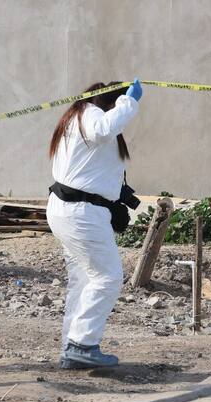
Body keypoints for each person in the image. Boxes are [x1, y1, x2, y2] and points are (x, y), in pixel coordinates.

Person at [46, 79, 143, 369]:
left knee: (86, 280)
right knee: (108, 278)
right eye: (118, 105)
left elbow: (92, 167)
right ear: (112, 102)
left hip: (74, 210)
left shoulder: (77, 117)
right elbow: (106, 128)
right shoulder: (91, 115)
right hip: (80, 214)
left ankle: (72, 347)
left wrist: (118, 197)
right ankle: (81, 345)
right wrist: (131, 100)